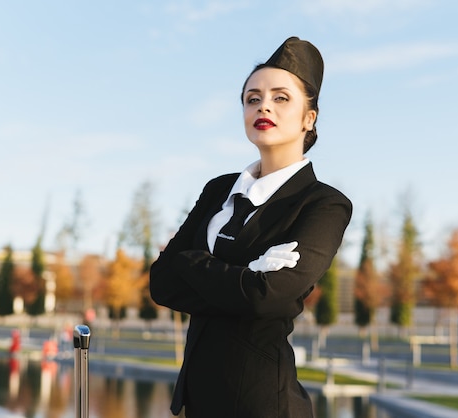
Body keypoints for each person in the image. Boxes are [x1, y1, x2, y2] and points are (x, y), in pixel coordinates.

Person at [150, 36, 352, 418]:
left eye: (281, 98)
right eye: (252, 98)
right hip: (198, 403)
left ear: (309, 118)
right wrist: (245, 279)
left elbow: (269, 297)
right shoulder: (218, 189)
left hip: (264, 407)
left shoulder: (323, 204)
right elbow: (161, 283)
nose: (264, 107)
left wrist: (190, 263)